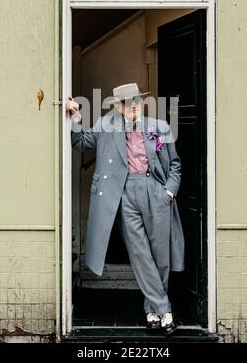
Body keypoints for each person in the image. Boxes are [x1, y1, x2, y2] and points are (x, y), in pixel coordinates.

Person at [66, 83, 184, 335]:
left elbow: (175, 166)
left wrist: (169, 192)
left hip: (156, 190)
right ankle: (165, 310)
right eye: (127, 103)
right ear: (118, 106)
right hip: (125, 193)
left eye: (136, 101)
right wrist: (76, 115)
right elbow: (80, 141)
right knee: (140, 253)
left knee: (161, 256)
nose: (132, 106)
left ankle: (152, 309)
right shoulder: (107, 126)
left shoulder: (159, 127)